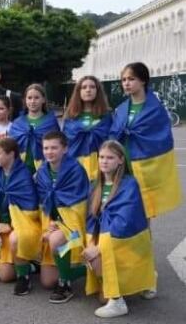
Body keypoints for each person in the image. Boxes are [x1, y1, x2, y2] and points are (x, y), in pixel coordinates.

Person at [84, 140, 156, 318]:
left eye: (110, 157)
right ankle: (142, 280)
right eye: (101, 157)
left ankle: (117, 301)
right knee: (89, 250)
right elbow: (91, 218)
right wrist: (91, 242)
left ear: (121, 160)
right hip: (104, 236)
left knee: (99, 254)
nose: (104, 161)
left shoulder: (129, 184)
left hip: (123, 239)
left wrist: (99, 247)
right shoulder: (95, 185)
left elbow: (124, 222)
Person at [109, 62, 181, 218]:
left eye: (131, 79)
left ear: (143, 81)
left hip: (144, 166)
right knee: (124, 208)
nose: (126, 83)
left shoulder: (155, 109)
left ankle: (145, 241)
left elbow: (161, 139)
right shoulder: (121, 109)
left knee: (144, 210)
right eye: (124, 80)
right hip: (122, 166)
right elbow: (113, 135)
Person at [34, 131, 90, 304]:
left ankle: (65, 284)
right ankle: (85, 270)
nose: (49, 152)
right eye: (46, 148)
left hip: (72, 223)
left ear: (65, 149)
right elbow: (43, 201)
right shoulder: (43, 170)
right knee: (46, 282)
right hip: (52, 221)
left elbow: (79, 206)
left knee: (56, 240)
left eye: (54, 148)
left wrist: (61, 224)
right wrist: (50, 222)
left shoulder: (75, 170)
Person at [0, 138, 40, 295]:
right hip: (1, 227)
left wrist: (11, 227)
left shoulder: (24, 175)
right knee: (5, 276)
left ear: (11, 154)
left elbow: (32, 211)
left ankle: (24, 277)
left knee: (16, 238)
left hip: (23, 225)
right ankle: (30, 265)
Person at [62, 76, 112, 183]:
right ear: (78, 92)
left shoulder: (107, 117)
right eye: (84, 87)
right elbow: (64, 146)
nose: (88, 90)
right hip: (75, 168)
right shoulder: (70, 118)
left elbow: (112, 143)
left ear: (97, 91)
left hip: (102, 167)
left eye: (92, 87)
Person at [9, 84, 60, 173]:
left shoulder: (51, 122)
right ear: (25, 100)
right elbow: (11, 147)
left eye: (36, 98)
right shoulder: (17, 123)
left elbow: (58, 147)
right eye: (29, 98)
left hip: (45, 169)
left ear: (43, 100)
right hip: (20, 169)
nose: (32, 101)